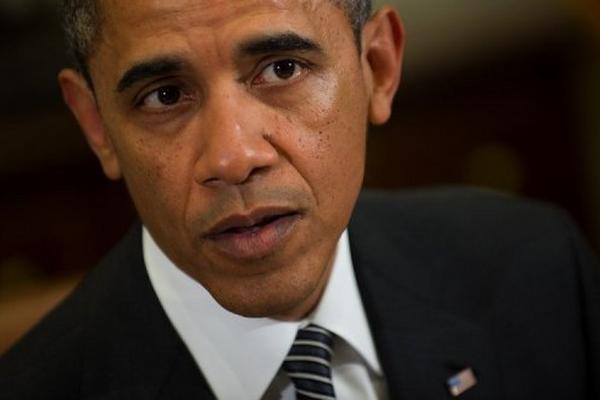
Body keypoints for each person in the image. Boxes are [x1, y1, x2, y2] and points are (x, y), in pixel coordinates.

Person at [1, 0, 599, 399]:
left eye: (282, 68)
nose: (233, 158)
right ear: (97, 126)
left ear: (377, 67)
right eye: (163, 96)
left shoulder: (537, 269)